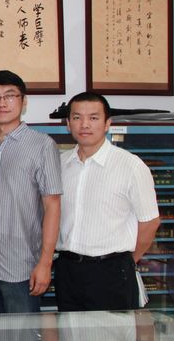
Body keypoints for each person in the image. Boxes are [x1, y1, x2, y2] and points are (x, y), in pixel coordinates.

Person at [55, 92, 160, 312]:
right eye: (77, 117)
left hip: (112, 272)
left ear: (107, 123)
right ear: (68, 123)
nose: (85, 124)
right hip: (67, 270)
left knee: (112, 333)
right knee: (71, 333)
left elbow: (150, 222)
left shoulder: (130, 166)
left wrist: (127, 262)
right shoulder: (60, 165)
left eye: (93, 118)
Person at [0, 70, 62, 314]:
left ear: (24, 102)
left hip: (21, 268)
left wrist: (45, 263)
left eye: (10, 96)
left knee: (23, 337)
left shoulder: (42, 145)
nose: (2, 103)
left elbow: (52, 205)